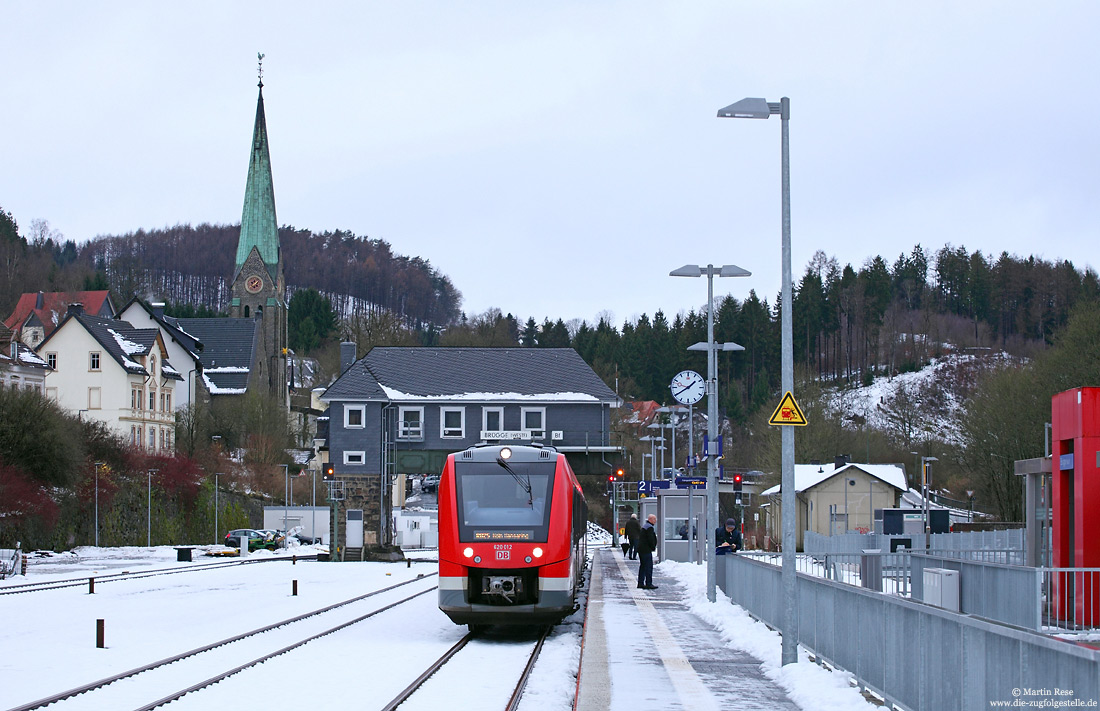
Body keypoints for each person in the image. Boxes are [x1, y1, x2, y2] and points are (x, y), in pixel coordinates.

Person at [637, 514, 659, 590]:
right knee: (648, 567)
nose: (655, 521)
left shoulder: (645, 526)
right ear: (650, 519)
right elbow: (650, 538)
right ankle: (648, 583)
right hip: (646, 550)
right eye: (654, 519)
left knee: (643, 566)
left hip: (641, 549)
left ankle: (640, 583)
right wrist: (653, 546)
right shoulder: (649, 528)